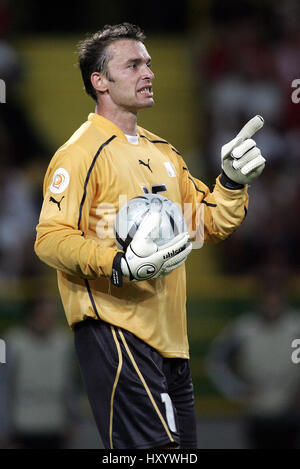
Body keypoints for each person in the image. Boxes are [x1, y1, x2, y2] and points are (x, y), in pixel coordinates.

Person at [34, 23, 266, 449]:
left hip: (172, 342)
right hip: (116, 331)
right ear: (99, 81)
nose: (149, 73)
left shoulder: (164, 153)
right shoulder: (81, 152)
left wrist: (231, 183)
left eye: (150, 63)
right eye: (134, 64)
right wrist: (118, 265)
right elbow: (49, 237)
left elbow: (207, 225)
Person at [206, 263, 300, 449]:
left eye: (276, 292)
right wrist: (237, 389)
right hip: (257, 413)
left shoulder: (295, 328)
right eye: (267, 292)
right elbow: (217, 362)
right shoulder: (244, 329)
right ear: (259, 296)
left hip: (290, 413)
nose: (272, 299)